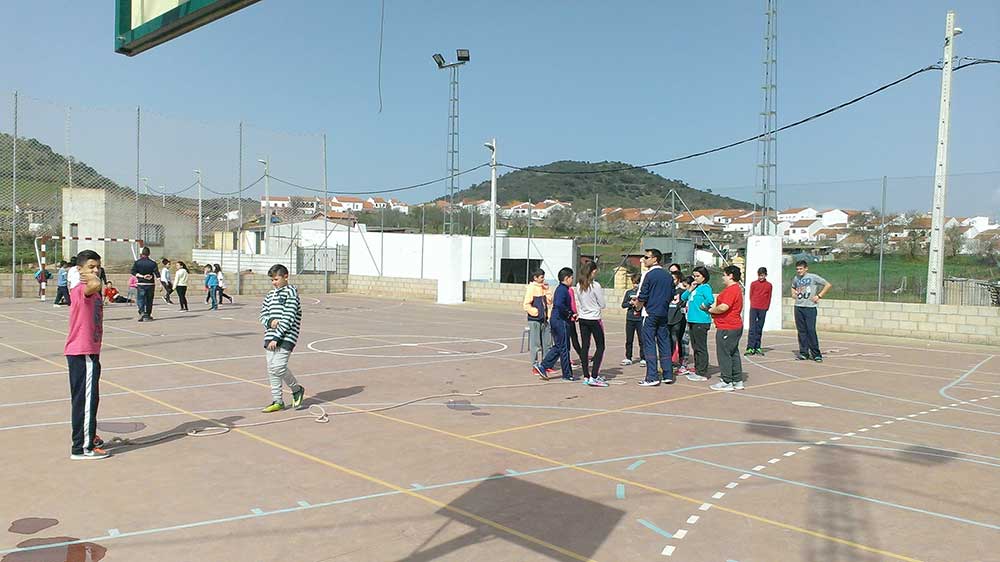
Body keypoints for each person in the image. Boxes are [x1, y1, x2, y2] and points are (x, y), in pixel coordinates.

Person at [65, 249, 110, 459]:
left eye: (98, 266)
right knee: (85, 401)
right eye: (91, 266)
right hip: (83, 353)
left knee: (90, 400)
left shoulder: (91, 289)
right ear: (80, 270)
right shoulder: (82, 288)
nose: (96, 270)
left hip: (89, 353)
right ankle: (82, 448)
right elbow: (94, 284)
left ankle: (88, 437)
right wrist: (92, 277)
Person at [259, 264, 305, 413]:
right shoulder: (270, 296)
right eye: (272, 280)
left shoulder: (291, 293)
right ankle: (277, 401)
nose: (274, 282)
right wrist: (269, 321)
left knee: (278, 366)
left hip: (286, 337)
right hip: (270, 336)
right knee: (271, 369)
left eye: (276, 279)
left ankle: (296, 389)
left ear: (286, 276)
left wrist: (277, 337)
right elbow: (262, 315)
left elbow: (288, 317)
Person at [635, 248, 675, 387]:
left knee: (649, 344)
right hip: (663, 313)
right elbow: (672, 294)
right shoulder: (668, 276)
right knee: (664, 343)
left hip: (650, 313)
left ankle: (652, 376)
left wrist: (638, 306)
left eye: (646, 257)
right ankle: (667, 374)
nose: (644, 259)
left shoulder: (648, 275)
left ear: (655, 259)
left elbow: (643, 295)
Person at [532, 267, 575, 381]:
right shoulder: (562, 290)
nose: (572, 279)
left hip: (557, 320)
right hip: (560, 321)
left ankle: (543, 366)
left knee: (559, 346)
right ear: (566, 278)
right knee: (564, 347)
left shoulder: (562, 289)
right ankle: (566, 374)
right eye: (571, 277)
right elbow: (559, 304)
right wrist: (569, 313)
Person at [706, 265, 745, 391]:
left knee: (724, 353)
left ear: (730, 276)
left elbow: (724, 307)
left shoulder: (732, 290)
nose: (723, 277)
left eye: (724, 275)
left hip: (728, 326)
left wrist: (712, 310)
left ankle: (727, 380)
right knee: (733, 352)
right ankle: (737, 380)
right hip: (733, 325)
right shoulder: (736, 289)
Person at [575, 261, 608, 387]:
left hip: (583, 318)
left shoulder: (579, 285)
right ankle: (593, 376)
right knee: (600, 346)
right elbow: (602, 304)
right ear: (593, 271)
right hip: (594, 318)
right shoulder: (595, 286)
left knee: (585, 346)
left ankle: (586, 376)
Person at [791, 260, 832, 362]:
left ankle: (816, 354)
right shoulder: (796, 278)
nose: (799, 271)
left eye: (801, 269)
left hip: (810, 308)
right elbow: (793, 287)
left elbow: (827, 284)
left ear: (806, 268)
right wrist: (793, 294)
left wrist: (819, 296)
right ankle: (804, 352)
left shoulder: (812, 277)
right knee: (801, 331)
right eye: (797, 269)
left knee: (811, 330)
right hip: (798, 307)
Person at [681, 266, 714, 382]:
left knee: (701, 347)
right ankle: (697, 368)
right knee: (695, 346)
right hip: (691, 320)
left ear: (704, 277)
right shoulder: (695, 288)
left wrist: (704, 306)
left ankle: (702, 372)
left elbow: (710, 299)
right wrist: (690, 288)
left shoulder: (705, 287)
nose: (695, 278)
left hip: (701, 321)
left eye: (698, 276)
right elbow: (683, 297)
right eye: (694, 276)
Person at [522, 268, 553, 365]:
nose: (543, 279)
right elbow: (526, 305)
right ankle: (535, 364)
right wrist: (536, 312)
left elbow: (549, 301)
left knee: (547, 343)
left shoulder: (543, 287)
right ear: (535, 278)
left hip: (544, 319)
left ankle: (546, 364)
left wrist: (547, 290)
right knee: (535, 343)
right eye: (541, 277)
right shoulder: (531, 288)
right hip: (534, 320)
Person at [667, 269, 690, 378]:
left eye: (674, 279)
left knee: (678, 340)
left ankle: (682, 362)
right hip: (667, 318)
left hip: (677, 318)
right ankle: (669, 360)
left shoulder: (682, 291)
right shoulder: (666, 290)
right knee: (668, 340)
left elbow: (684, 303)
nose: (672, 281)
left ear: (678, 280)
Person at [746, 266, 773, 356]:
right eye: (759, 275)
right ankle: (750, 347)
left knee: (759, 328)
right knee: (752, 328)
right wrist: (753, 303)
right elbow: (751, 294)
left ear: (765, 275)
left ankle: (757, 346)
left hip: (763, 308)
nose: (761, 277)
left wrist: (766, 307)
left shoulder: (769, 285)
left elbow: (769, 297)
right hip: (754, 307)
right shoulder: (753, 284)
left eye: (762, 275)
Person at [621, 273, 645, 366]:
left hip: (640, 319)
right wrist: (630, 303)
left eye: (637, 283)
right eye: (634, 283)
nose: (635, 285)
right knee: (629, 339)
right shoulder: (629, 292)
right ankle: (628, 357)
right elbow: (623, 305)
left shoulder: (643, 292)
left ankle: (643, 358)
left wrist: (639, 304)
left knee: (642, 339)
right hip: (630, 318)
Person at [131, 246, 157, 322]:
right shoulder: (153, 263)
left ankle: (142, 311)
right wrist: (160, 284)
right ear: (149, 254)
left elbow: (133, 272)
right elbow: (157, 274)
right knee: (149, 300)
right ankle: (148, 314)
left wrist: (142, 276)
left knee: (140, 299)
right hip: (150, 284)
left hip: (141, 283)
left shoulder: (137, 262)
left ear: (142, 254)